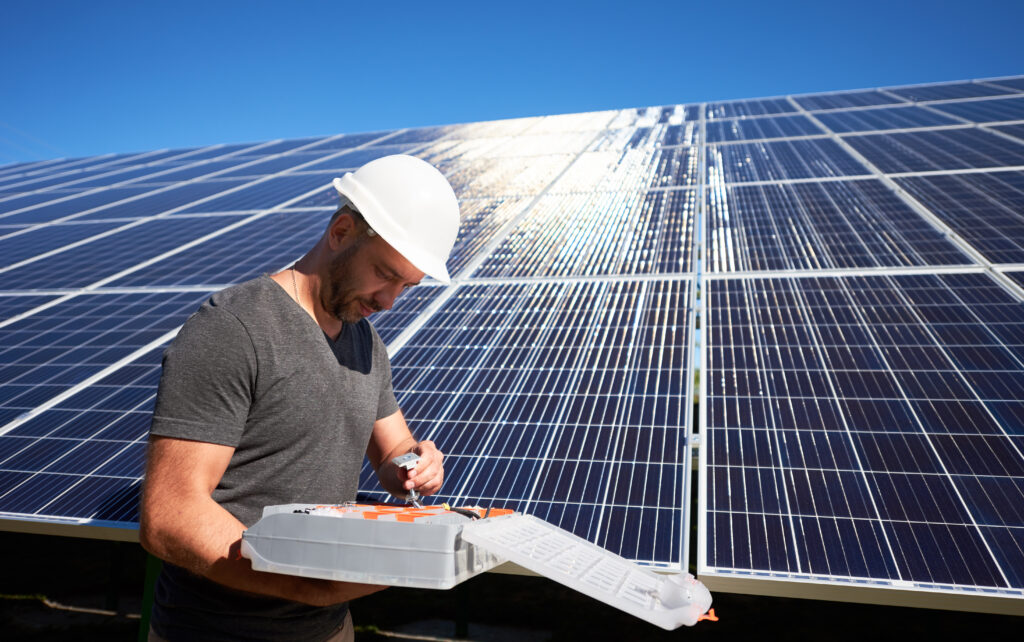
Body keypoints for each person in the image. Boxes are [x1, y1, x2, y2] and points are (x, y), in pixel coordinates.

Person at [139, 155, 462, 642]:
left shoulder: (366, 343)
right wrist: (306, 587)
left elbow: (395, 452)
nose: (389, 301)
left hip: (329, 627)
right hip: (219, 629)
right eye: (384, 273)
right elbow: (169, 516)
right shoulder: (233, 328)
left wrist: (416, 464)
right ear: (342, 230)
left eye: (405, 286)